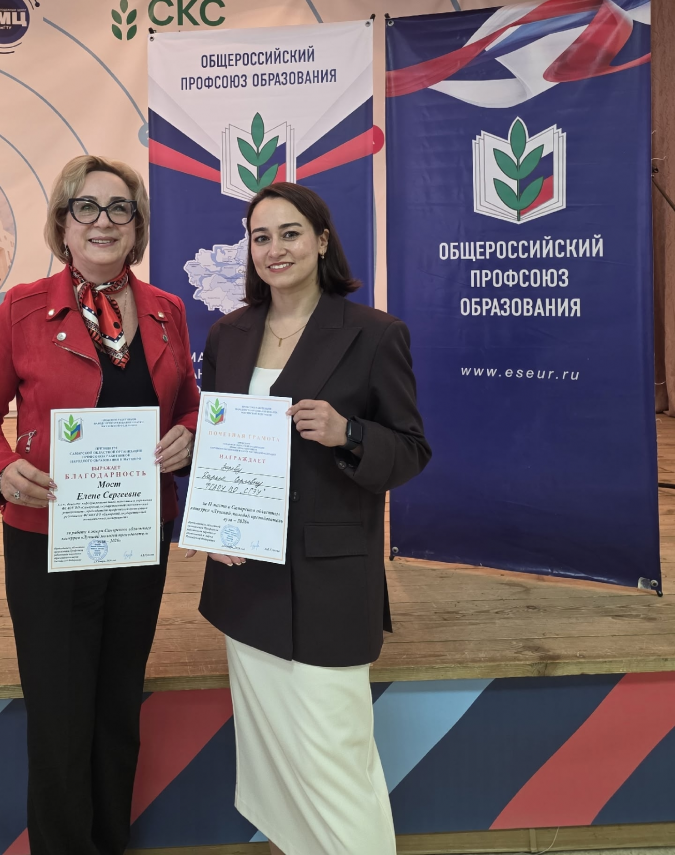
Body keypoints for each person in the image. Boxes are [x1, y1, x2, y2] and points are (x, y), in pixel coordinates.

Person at [0, 155, 199, 855]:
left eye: (120, 208)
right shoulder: (22, 309)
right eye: (85, 207)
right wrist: (2, 469)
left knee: (119, 707)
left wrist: (191, 433)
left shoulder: (167, 311)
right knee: (61, 717)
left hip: (139, 534)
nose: (103, 221)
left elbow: (189, 405)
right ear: (63, 224)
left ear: (137, 226)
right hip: (48, 537)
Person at [192, 182, 431, 855]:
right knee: (274, 765)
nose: (275, 248)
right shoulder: (228, 334)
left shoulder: (375, 334)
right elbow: (219, 443)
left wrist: (348, 432)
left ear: (322, 240)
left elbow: (412, 451)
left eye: (291, 232)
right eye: (261, 237)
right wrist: (210, 519)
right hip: (247, 575)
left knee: (337, 760)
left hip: (329, 580)